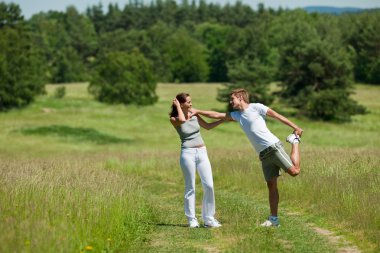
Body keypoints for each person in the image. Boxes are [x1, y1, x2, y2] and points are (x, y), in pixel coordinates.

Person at [192, 88, 303, 227]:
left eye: (232, 99)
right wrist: (198, 111)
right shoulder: (237, 115)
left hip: (274, 147)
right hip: (263, 155)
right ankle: (274, 219)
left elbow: (278, 116)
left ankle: (294, 141)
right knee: (271, 186)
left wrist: (296, 127)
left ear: (240, 98)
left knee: (294, 171)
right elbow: (217, 115)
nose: (230, 101)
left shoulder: (257, 107)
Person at [169, 92, 224, 228]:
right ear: (181, 104)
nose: (191, 104)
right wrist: (178, 107)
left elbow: (208, 127)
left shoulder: (194, 114)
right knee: (190, 187)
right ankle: (192, 219)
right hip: (187, 153)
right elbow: (182, 120)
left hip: (202, 152)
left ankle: (209, 218)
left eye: (191, 101)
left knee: (209, 185)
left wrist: (222, 120)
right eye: (188, 102)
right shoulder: (174, 118)